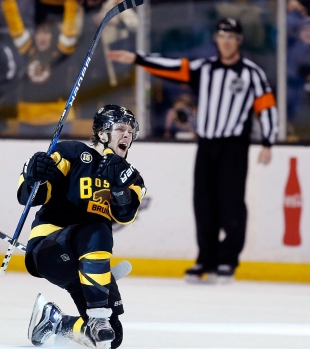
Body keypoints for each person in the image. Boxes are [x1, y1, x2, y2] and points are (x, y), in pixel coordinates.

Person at [107, 17, 278, 283]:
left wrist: (268, 142)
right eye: (222, 36)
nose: (226, 42)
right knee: (204, 203)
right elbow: (172, 66)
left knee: (231, 203)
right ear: (217, 40)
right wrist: (138, 59)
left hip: (234, 146)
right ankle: (205, 259)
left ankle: (227, 260)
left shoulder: (251, 74)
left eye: (231, 37)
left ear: (239, 41)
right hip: (207, 145)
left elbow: (267, 106)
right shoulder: (205, 68)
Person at [19, 105, 146, 349]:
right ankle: (97, 315)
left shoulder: (132, 177)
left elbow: (126, 214)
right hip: (49, 249)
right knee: (97, 228)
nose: (127, 135)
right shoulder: (72, 153)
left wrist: (119, 188)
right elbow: (28, 197)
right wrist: (34, 176)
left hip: (88, 258)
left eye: (131, 130)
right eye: (120, 128)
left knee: (111, 337)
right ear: (101, 134)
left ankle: (54, 322)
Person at [1, 0, 82, 136]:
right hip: (27, 120)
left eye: (46, 33)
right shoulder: (28, 49)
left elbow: (69, 28)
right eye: (39, 33)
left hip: (56, 119)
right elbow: (14, 23)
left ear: (53, 36)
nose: (42, 37)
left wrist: (70, 2)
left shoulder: (62, 52)